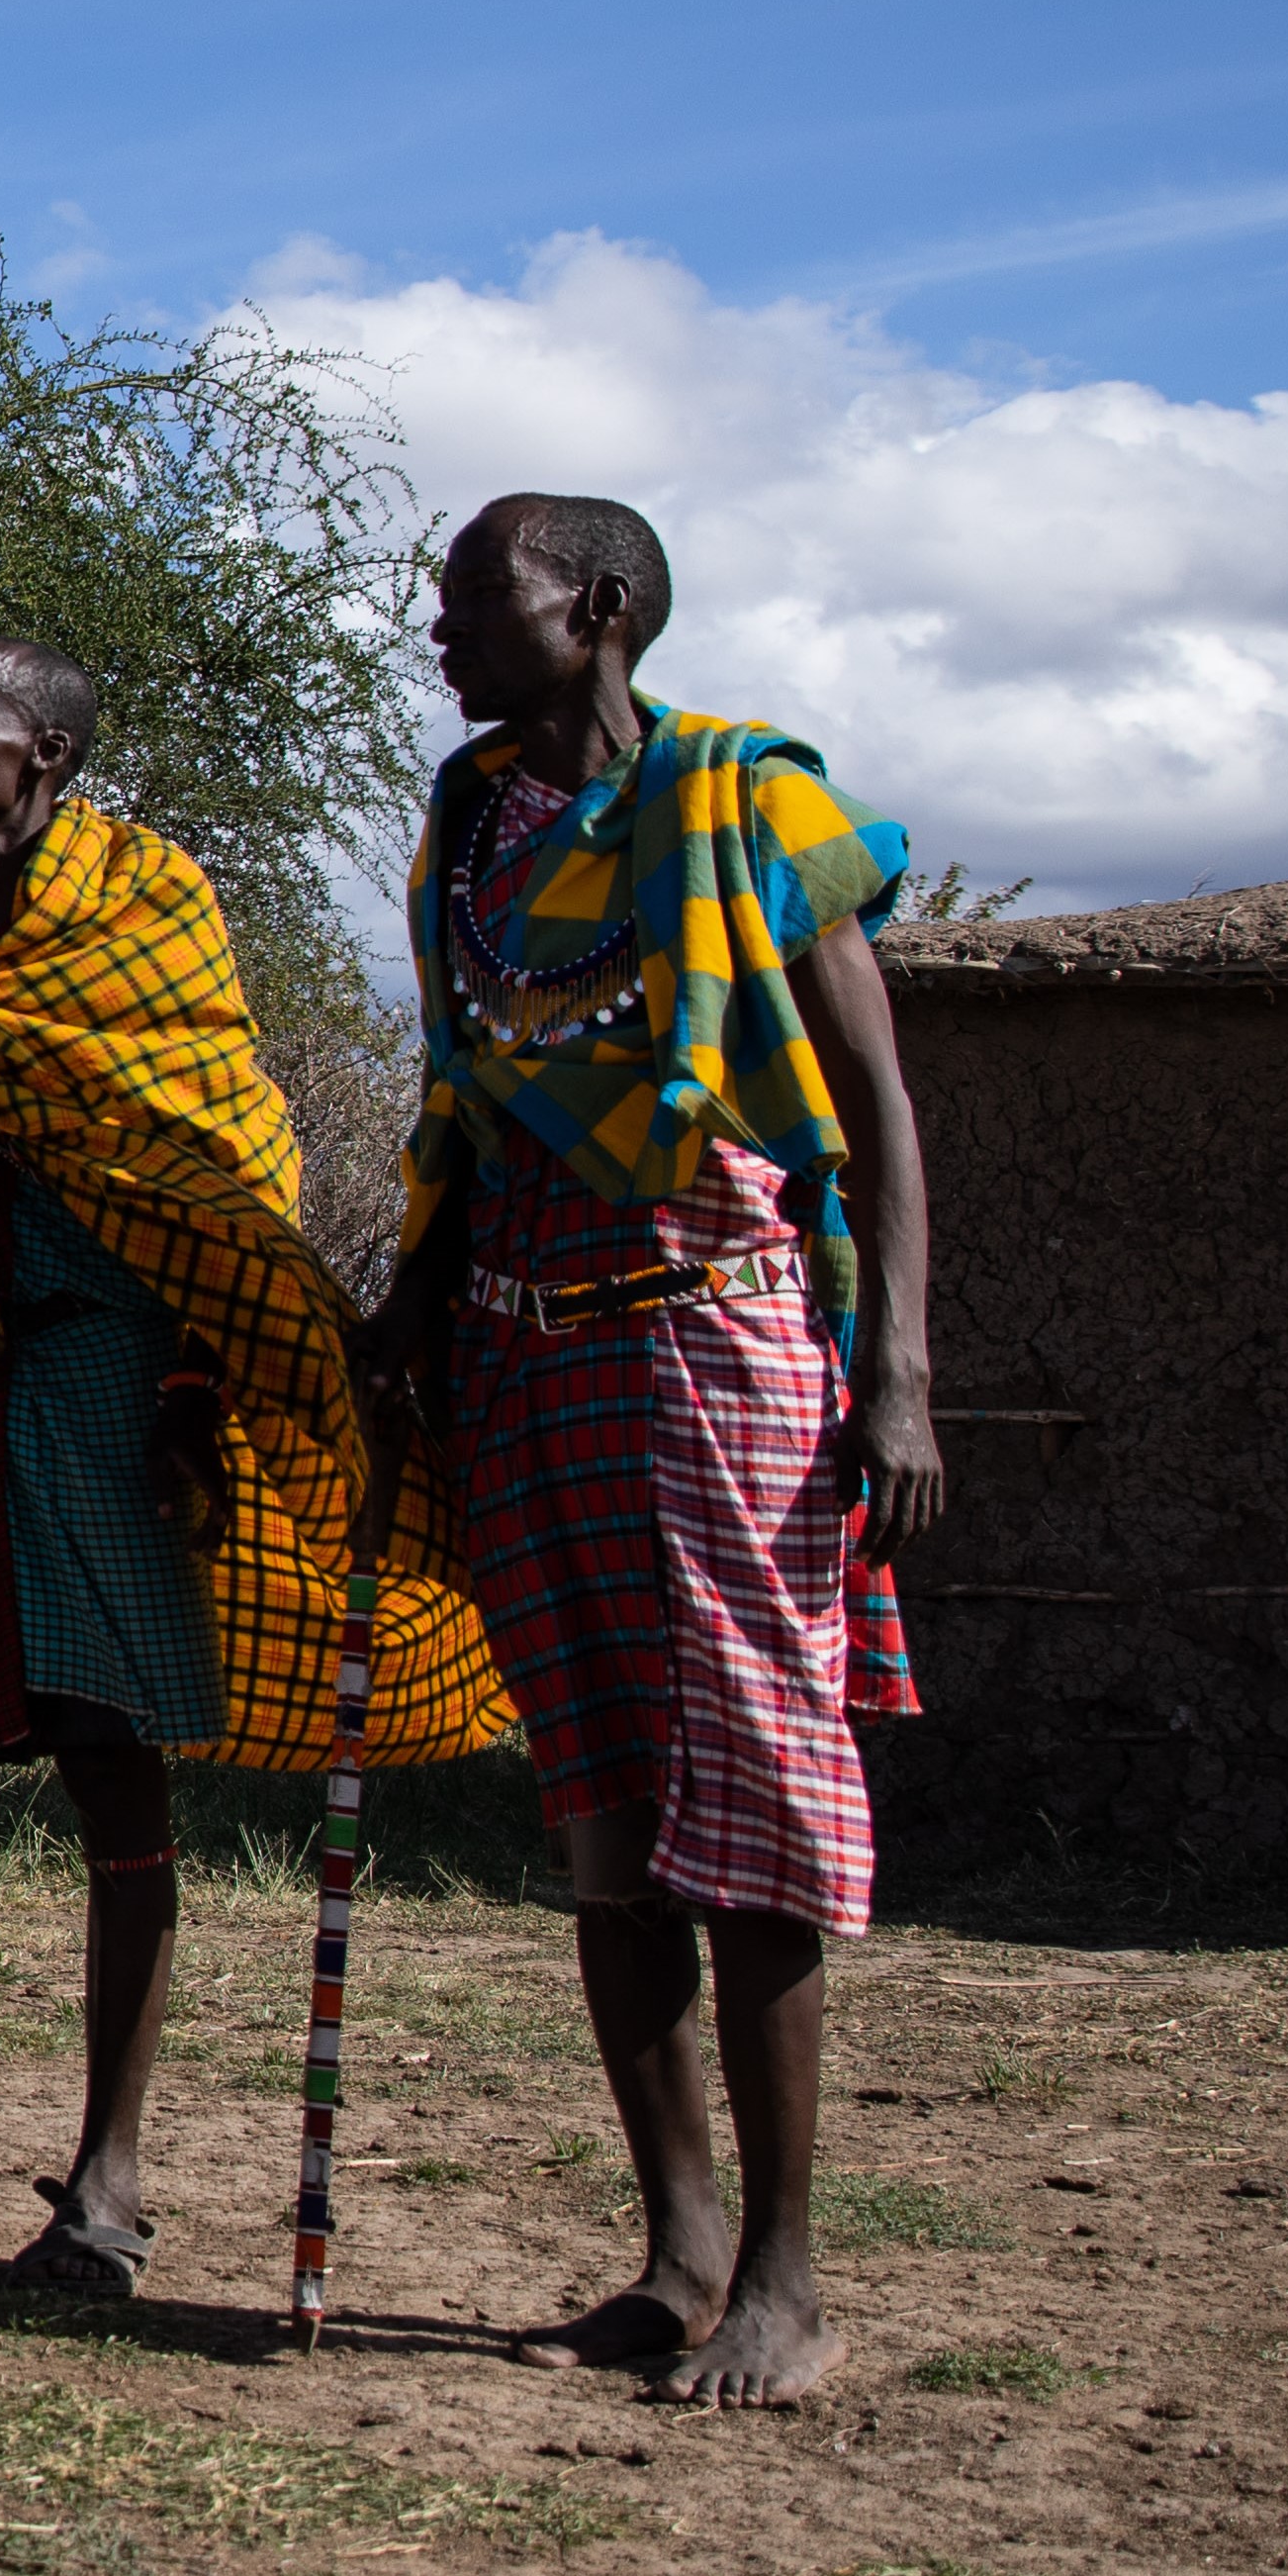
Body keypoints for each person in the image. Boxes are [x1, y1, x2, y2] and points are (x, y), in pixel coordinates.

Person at [0, 639, 508, 2298]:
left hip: (107, 1369)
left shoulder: (145, 909)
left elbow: (215, 1166)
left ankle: (106, 2184)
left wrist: (195, 1382)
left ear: (47, 752)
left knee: (106, 1759)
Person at [356, 498, 940, 2409]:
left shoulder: (744, 801)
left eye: (475, 597)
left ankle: (783, 2276)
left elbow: (870, 1099)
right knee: (601, 1813)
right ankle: (676, 2248)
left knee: (751, 1795)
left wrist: (895, 1371)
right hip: (524, 1350)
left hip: (712, 1337)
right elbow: (463, 1101)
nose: (439, 630)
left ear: (595, 608)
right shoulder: (467, 829)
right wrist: (404, 1320)